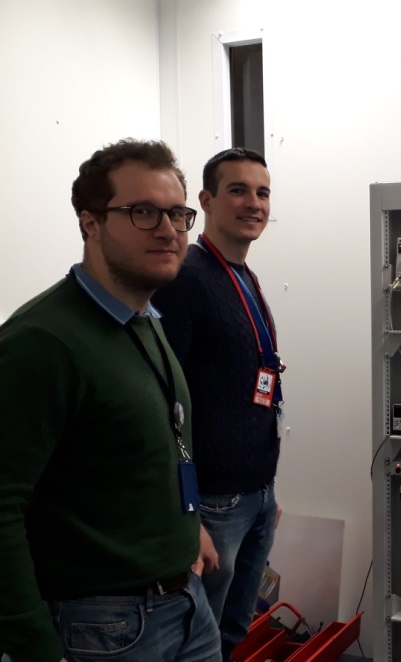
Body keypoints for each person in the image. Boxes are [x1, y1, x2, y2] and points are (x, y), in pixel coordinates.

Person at [0, 139, 221, 662]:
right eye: (142, 212)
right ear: (90, 223)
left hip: (186, 605)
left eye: (177, 213)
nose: (168, 229)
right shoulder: (43, 342)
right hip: (103, 627)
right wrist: (35, 647)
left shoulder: (144, 318)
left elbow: (144, 451)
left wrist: (189, 527)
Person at [153, 147, 283, 660]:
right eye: (238, 190)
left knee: (232, 634)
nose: (253, 203)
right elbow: (166, 399)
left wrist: (266, 492)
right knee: (198, 642)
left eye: (262, 192)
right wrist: (189, 515)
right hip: (211, 503)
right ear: (205, 200)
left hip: (254, 494)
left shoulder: (243, 276)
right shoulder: (186, 276)